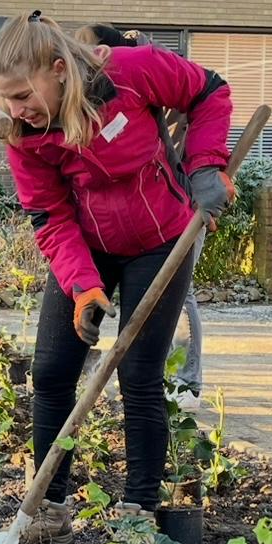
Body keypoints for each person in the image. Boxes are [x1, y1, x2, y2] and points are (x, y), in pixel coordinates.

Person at [0, 12, 232, 544]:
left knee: (139, 375)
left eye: (22, 95)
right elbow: (49, 215)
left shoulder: (131, 72)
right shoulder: (25, 134)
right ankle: (49, 511)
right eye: (5, 97)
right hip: (88, 246)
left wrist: (205, 166)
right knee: (51, 372)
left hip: (160, 239)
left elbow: (209, 91)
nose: (15, 110)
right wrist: (82, 286)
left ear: (58, 69)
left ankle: (138, 512)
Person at [75, 24, 206, 411]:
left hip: (178, 208)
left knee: (180, 295)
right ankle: (113, 370)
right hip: (129, 218)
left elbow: (204, 96)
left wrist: (208, 170)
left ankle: (186, 382)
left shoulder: (143, 75)